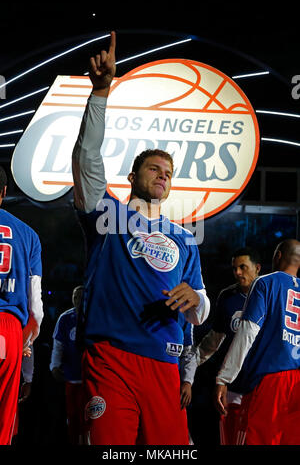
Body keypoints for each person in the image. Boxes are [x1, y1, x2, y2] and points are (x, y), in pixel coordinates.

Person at [72, 31, 210, 445]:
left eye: (167, 173)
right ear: (133, 177)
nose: (162, 176)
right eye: (153, 169)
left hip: (164, 366)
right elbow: (86, 158)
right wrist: (100, 93)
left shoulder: (185, 238)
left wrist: (196, 300)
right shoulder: (107, 214)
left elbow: (201, 308)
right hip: (111, 358)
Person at [215, 239, 300, 445]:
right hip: (297, 380)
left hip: (272, 378)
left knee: (256, 438)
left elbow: (247, 332)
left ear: (278, 256)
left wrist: (224, 377)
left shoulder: (265, 282)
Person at [195, 247, 261, 445]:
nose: (238, 272)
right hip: (231, 385)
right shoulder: (227, 297)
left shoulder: (269, 294)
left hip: (260, 384)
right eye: (234, 268)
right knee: (230, 439)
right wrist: (190, 367)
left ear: (257, 268)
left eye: (243, 267)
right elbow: (215, 339)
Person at [0, 166, 43, 445]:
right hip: (8, 329)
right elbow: (35, 307)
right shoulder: (27, 234)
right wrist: (26, 342)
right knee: (3, 417)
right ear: (4, 192)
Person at [50, 285, 84, 445]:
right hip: (71, 377)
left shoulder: (96, 316)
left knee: (92, 417)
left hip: (92, 377)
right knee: (72, 417)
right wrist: (54, 366)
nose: (78, 300)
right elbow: (58, 345)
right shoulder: (65, 318)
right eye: (75, 297)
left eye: (81, 297)